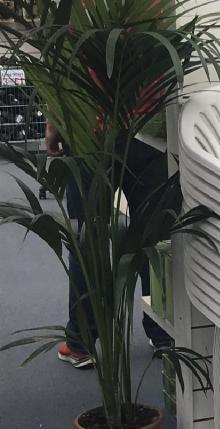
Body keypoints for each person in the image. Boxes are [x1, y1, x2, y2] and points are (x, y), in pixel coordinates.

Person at [46, 123, 172, 368]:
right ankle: (163, 333)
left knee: (87, 239)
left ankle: (81, 343)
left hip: (88, 131)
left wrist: (54, 128)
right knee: (153, 237)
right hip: (147, 131)